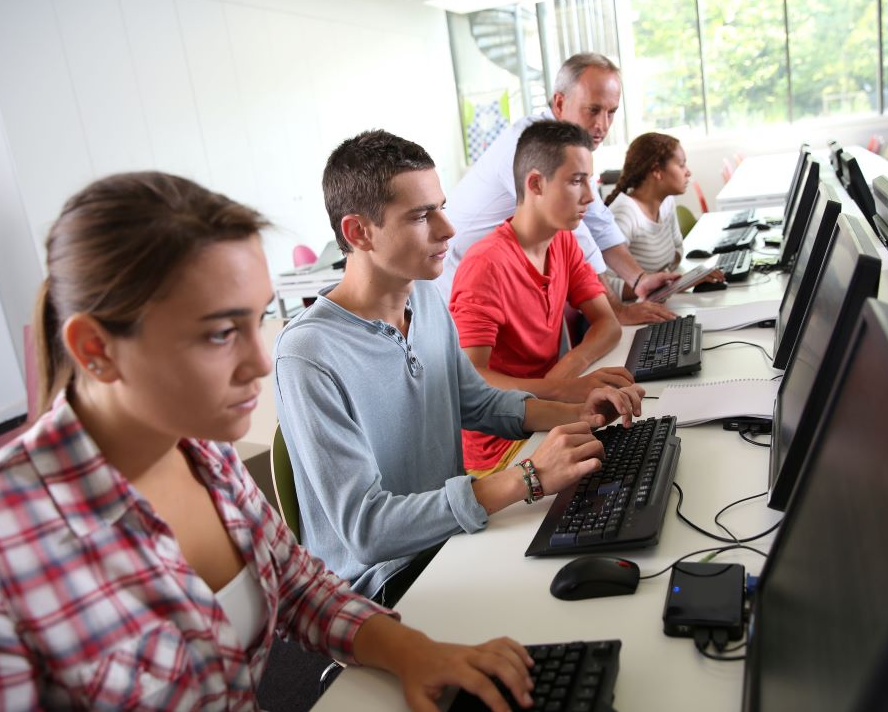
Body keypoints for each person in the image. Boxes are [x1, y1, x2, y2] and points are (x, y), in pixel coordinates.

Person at [0, 172, 541, 712]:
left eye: (255, 321)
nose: (257, 362)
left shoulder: (204, 454)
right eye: (221, 334)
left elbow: (300, 587)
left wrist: (411, 651)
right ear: (96, 350)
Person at [273, 130, 644, 604]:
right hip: (384, 582)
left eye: (441, 207)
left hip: (450, 538)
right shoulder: (308, 355)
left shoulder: (424, 296)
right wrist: (527, 478)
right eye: (422, 216)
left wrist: (579, 412)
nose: (447, 229)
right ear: (358, 232)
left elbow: (477, 400)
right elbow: (366, 531)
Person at [436, 53, 684, 323]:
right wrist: (617, 310)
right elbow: (580, 237)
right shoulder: (530, 148)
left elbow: (598, 220)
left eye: (611, 112)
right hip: (459, 285)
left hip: (506, 275)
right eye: (593, 110)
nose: (602, 125)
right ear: (559, 102)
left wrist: (639, 279)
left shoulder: (569, 149)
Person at [449, 121, 634, 472]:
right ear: (535, 183)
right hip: (501, 450)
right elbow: (471, 378)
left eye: (589, 181)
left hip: (550, 415)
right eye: (576, 181)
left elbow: (607, 324)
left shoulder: (562, 241)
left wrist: (565, 375)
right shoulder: (486, 264)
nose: (589, 197)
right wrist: (561, 389)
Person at [603, 132, 722, 299]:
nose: (688, 172)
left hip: (659, 301)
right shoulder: (624, 214)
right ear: (657, 171)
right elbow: (603, 285)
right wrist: (666, 285)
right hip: (631, 313)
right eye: (681, 165)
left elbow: (677, 249)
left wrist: (683, 281)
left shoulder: (666, 202)